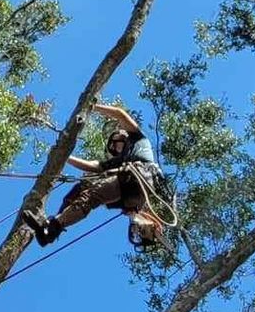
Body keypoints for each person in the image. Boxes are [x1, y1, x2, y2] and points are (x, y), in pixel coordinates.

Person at [20, 101, 168, 249]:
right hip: (132, 194)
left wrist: (91, 106)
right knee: (83, 189)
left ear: (122, 137)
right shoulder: (120, 161)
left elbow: (120, 114)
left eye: (115, 144)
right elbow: (95, 166)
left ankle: (53, 227)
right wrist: (64, 156)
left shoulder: (138, 140)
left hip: (141, 176)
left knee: (93, 195)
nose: (115, 149)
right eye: (113, 149)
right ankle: (51, 228)